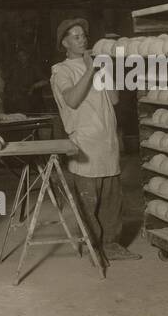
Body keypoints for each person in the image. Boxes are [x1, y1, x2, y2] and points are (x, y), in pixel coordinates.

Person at [49, 17, 140, 263]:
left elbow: (113, 100)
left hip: (107, 141)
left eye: (84, 36)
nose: (83, 40)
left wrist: (105, 68)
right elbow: (72, 100)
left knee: (112, 199)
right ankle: (92, 246)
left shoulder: (98, 66)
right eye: (76, 37)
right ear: (64, 43)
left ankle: (110, 244)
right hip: (85, 143)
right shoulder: (61, 71)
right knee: (89, 200)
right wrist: (90, 69)